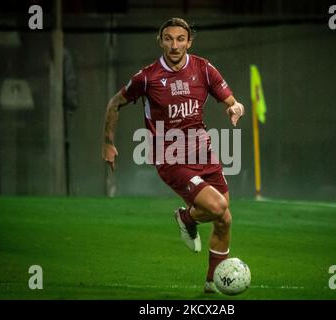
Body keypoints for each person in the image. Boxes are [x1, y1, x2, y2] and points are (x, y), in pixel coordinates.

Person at [102, 17, 244, 293]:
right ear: (160, 41)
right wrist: (107, 142)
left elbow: (232, 101)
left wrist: (235, 108)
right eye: (168, 38)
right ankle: (186, 219)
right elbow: (115, 102)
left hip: (203, 151)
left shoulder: (203, 69)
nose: (175, 45)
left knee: (224, 219)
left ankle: (212, 282)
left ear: (189, 41)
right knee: (217, 207)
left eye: (181, 39)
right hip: (170, 156)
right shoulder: (148, 77)